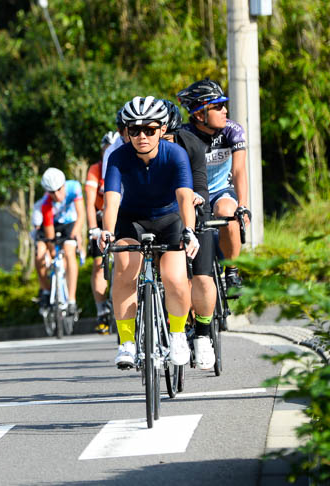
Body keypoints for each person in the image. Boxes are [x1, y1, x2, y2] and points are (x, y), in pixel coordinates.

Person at [99, 95, 199, 369]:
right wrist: (107, 232)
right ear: (127, 132)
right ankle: (127, 342)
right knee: (124, 270)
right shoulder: (119, 157)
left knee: (174, 277)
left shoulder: (175, 154)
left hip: (170, 219)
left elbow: (184, 197)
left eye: (149, 129)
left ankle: (178, 335)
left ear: (162, 130)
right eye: (134, 130)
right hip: (133, 219)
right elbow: (112, 199)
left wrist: (189, 230)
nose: (142, 136)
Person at [177, 79, 250, 288]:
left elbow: (238, 170)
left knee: (228, 211)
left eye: (223, 105)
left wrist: (243, 206)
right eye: (217, 107)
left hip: (221, 191)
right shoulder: (184, 136)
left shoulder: (232, 130)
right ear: (200, 115)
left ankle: (232, 271)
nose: (225, 110)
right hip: (193, 193)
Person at [161, 100, 216, 369]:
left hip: (192, 210)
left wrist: (195, 199)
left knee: (202, 278)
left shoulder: (191, 145)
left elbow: (203, 187)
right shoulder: (140, 150)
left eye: (167, 136)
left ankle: (204, 335)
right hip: (161, 216)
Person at [37, 167, 84, 319]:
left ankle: (71, 300)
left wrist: (76, 235)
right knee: (40, 254)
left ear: (64, 185)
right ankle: (45, 291)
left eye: (59, 190)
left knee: (70, 251)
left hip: (70, 223)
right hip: (52, 224)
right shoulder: (46, 204)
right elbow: (50, 234)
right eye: (52, 192)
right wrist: (51, 252)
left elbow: (81, 215)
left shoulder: (74, 187)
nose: (56, 195)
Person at [86, 132, 117, 334]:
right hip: (99, 218)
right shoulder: (95, 170)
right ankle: (102, 312)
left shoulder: (123, 162)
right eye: (106, 149)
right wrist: (92, 229)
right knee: (99, 265)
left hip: (120, 215)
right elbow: (89, 202)